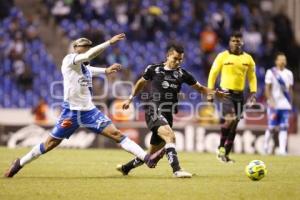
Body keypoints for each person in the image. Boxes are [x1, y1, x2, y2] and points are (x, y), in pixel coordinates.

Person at [4, 33, 164, 178]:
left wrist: (106, 70)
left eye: (87, 48)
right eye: (83, 48)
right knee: (49, 144)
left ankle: (147, 159)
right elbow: (88, 56)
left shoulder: (85, 68)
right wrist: (109, 42)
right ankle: (19, 164)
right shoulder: (69, 60)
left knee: (117, 134)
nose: (86, 51)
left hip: (89, 112)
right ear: (75, 49)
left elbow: (92, 69)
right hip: (71, 113)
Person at [117, 44, 227, 178]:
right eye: (175, 58)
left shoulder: (183, 74)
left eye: (181, 59)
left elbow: (200, 89)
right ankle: (177, 170)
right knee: (170, 136)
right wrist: (130, 98)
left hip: (168, 115)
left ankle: (126, 168)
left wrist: (215, 93)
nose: (178, 62)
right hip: (154, 110)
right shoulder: (154, 69)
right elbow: (141, 82)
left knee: (151, 154)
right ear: (168, 55)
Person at [207, 31, 257, 163]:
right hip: (226, 93)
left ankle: (225, 155)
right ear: (230, 42)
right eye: (233, 41)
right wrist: (210, 91)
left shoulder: (248, 59)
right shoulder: (222, 56)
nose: (236, 43)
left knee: (234, 125)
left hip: (240, 94)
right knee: (231, 118)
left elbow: (252, 77)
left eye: (238, 41)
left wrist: (253, 93)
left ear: (242, 42)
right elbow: (213, 73)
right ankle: (220, 148)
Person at [263, 52, 293, 155]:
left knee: (284, 127)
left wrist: (290, 102)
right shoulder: (271, 72)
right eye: (280, 59)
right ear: (276, 61)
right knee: (271, 127)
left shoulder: (289, 73)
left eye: (284, 59)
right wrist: (270, 100)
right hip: (274, 104)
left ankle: (282, 150)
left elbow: (289, 89)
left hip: (285, 104)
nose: (282, 61)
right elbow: (267, 88)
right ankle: (265, 147)